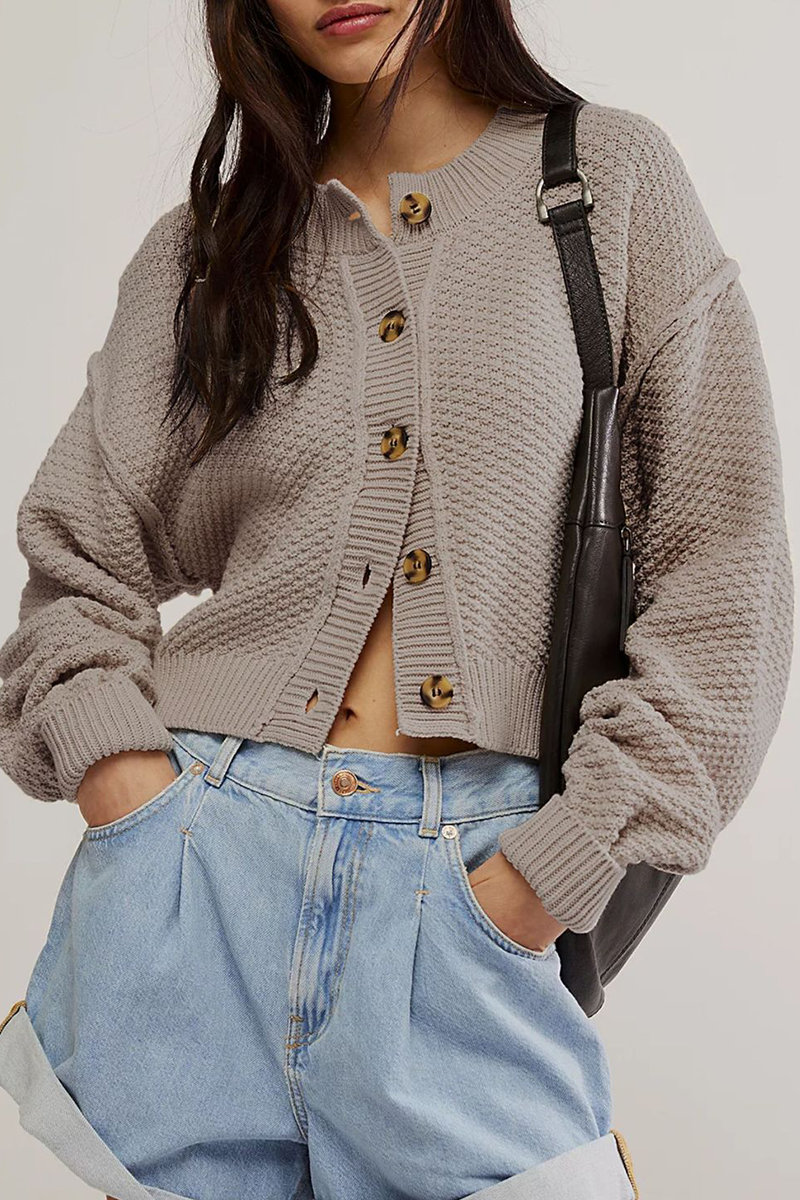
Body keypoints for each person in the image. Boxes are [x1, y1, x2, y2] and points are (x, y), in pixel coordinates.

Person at [0, 2, 792, 1198]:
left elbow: (725, 575)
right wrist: (132, 799)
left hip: (472, 887)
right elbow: (78, 560)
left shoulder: (603, 186)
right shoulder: (209, 248)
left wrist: (551, 871)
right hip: (195, 880)